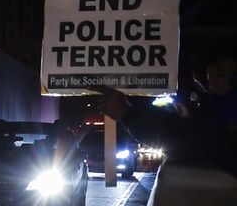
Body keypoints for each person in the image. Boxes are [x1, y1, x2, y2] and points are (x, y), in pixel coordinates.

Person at [93, 55, 237, 175]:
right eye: (207, 78)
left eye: (214, 77)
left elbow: (194, 141)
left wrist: (126, 113)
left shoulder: (228, 107)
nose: (210, 82)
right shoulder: (217, 103)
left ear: (231, 78)